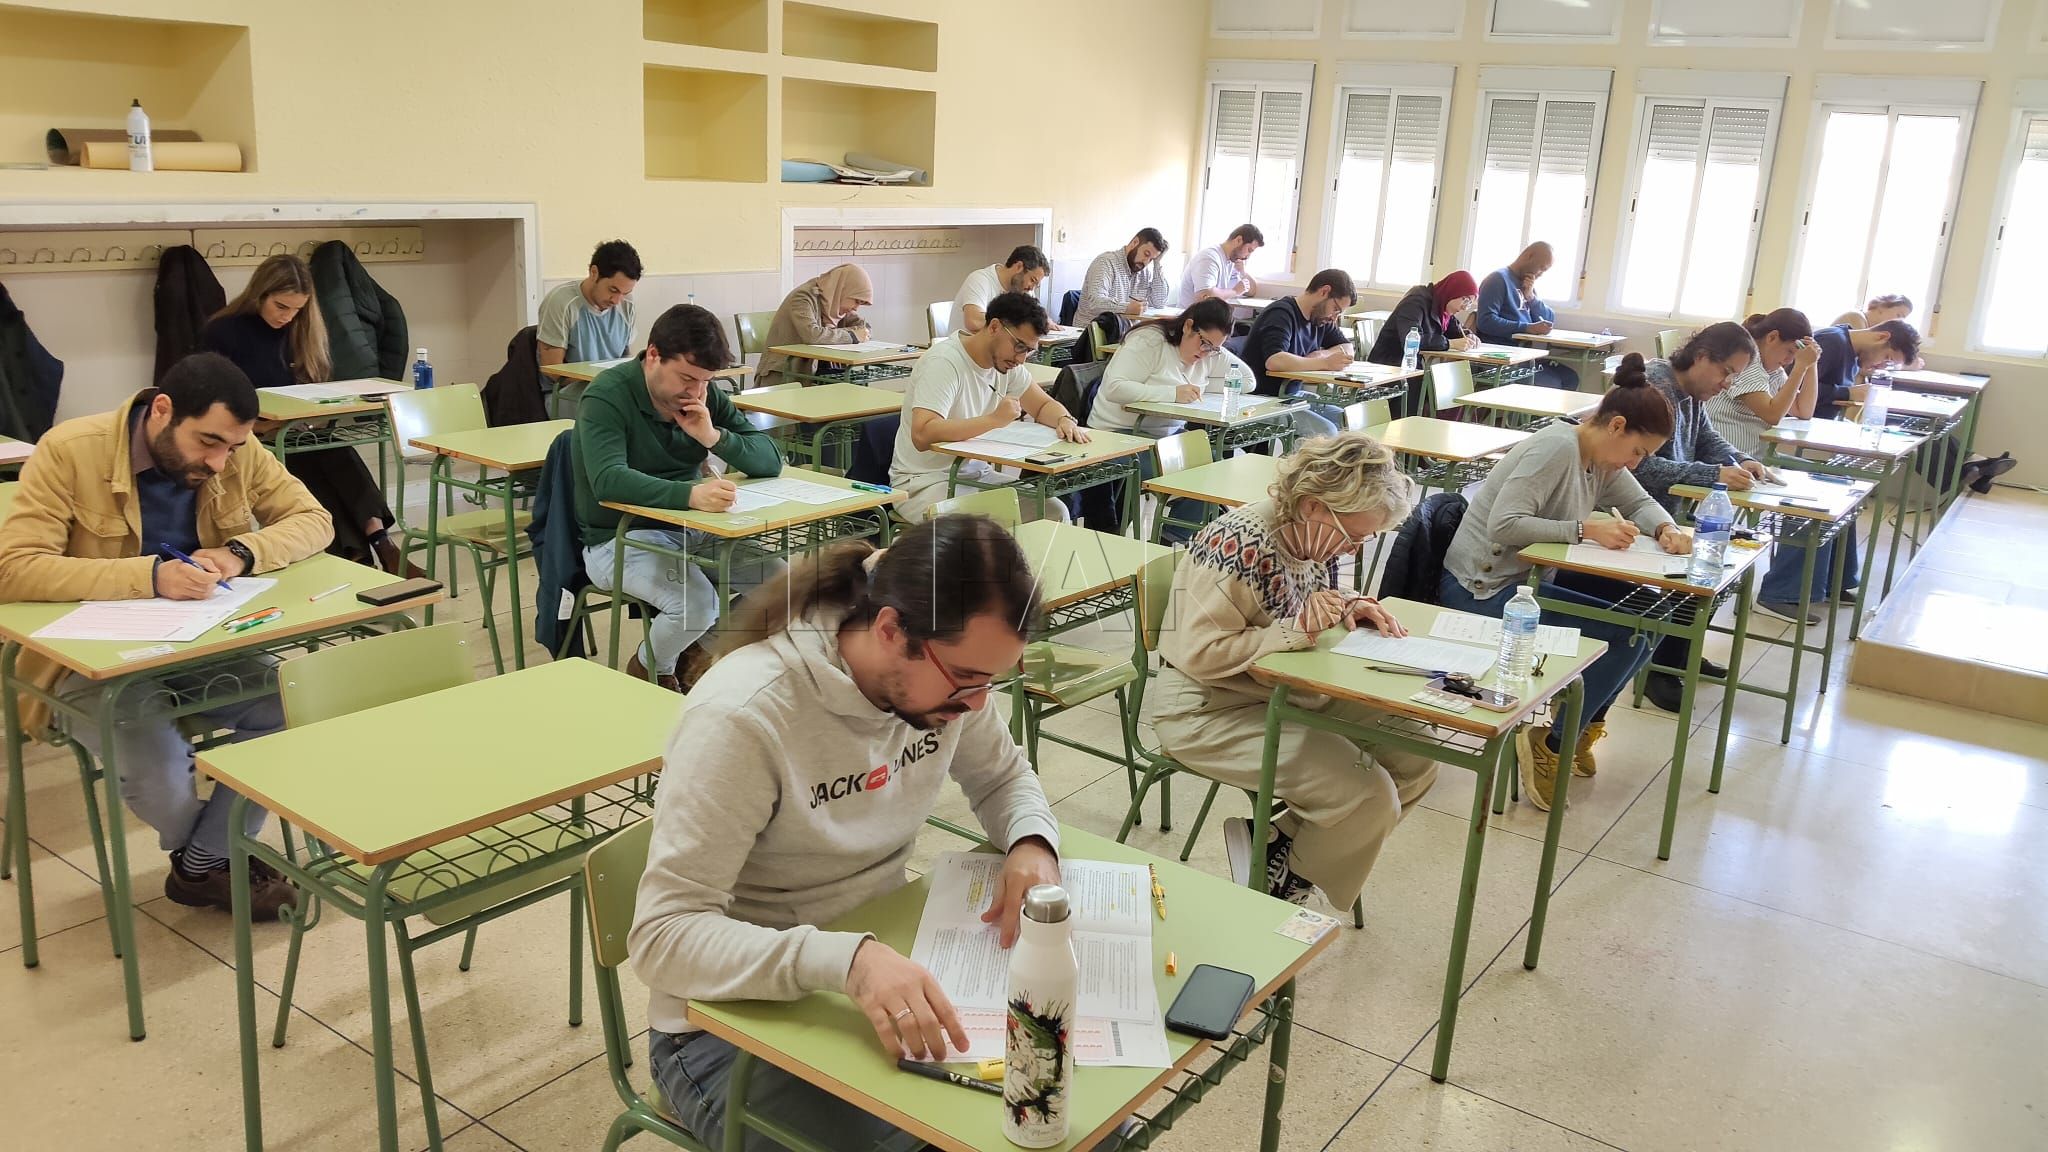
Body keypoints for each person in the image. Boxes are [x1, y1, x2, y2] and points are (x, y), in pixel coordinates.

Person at [631, 516, 1120, 1152]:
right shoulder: (743, 717)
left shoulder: (949, 680)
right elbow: (663, 938)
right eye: (968, 679)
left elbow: (1003, 777)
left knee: (1084, 1125)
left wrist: (1031, 844)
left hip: (881, 967)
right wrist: (849, 962)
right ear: (891, 631)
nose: (977, 704)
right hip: (723, 1027)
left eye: (993, 682)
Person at [0, 352, 332, 914]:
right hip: (85, 658)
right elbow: (13, 569)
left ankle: (202, 863)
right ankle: (218, 857)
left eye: (232, 447)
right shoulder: (69, 450)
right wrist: (149, 576)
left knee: (297, 703)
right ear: (162, 411)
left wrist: (240, 552)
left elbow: (314, 520)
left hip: (198, 642)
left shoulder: (236, 449)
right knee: (159, 774)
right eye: (208, 443)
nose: (220, 462)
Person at [1152, 434, 1435, 907]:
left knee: (1417, 755)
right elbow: (1197, 652)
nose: (1353, 550)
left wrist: (1348, 605)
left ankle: (1279, 844)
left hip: (1282, 689)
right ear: (1312, 506)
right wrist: (1297, 629)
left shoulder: (1311, 538)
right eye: (1353, 536)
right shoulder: (1238, 543)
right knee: (1369, 796)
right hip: (1206, 708)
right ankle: (1282, 889)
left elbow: (1303, 601)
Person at [1439, 356, 1690, 809]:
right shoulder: (1556, 449)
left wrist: (1665, 528)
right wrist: (1584, 530)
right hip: (1483, 589)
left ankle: (1580, 727)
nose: (1636, 463)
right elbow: (1504, 525)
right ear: (1616, 426)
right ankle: (1552, 744)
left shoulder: (1601, 458)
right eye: (1638, 451)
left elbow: (1639, 502)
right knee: (1624, 633)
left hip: (1526, 583)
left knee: (1654, 614)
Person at [572, 304, 786, 691]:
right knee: (697, 605)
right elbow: (608, 480)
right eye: (687, 378)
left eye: (706, 381)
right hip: (618, 537)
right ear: (654, 355)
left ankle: (691, 651)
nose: (697, 391)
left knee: (785, 589)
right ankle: (650, 670)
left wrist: (713, 437)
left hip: (693, 528)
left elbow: (771, 460)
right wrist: (690, 495)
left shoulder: (702, 395)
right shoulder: (607, 395)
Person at [202, 254, 405, 573]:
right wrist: (258, 426)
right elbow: (212, 399)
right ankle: (369, 550)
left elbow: (308, 386)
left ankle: (372, 547)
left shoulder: (301, 329)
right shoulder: (223, 331)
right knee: (307, 467)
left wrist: (314, 413)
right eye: (281, 306)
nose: (287, 316)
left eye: (297, 309)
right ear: (260, 294)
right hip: (250, 433)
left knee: (333, 448)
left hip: (295, 427)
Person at [1630, 322, 1760, 713]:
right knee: (1703, 567)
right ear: (1701, 357)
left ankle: (1679, 652)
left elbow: (1706, 438)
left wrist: (1740, 460)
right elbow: (1638, 466)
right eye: (1726, 372)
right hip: (1633, 512)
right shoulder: (1655, 389)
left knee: (1721, 562)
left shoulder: (1690, 393)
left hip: (1667, 512)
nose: (1727, 383)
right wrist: (1712, 473)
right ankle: (1659, 667)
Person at [889, 292, 1087, 524]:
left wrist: (1064, 419)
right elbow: (922, 434)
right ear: (994, 327)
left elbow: (1043, 405)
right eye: (1019, 346)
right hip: (925, 483)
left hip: (976, 476)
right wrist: (994, 420)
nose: (1022, 359)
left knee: (1053, 512)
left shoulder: (1006, 364)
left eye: (1029, 351)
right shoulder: (944, 363)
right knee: (987, 527)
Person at [1081, 297, 1250, 541]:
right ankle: (1172, 538)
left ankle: (1175, 537)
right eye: (1204, 343)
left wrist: (1201, 385)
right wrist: (1173, 393)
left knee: (1212, 466)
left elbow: (1247, 380)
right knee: (1193, 472)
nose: (1205, 353)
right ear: (1188, 326)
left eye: (1214, 348)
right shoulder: (1150, 341)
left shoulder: (1209, 353)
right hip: (1117, 434)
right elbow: (1114, 388)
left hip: (1165, 436)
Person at [1243, 268, 1358, 439]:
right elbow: (1274, 361)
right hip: (1262, 400)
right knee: (1326, 431)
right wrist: (1325, 363)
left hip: (1290, 395)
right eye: (1335, 309)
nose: (1334, 317)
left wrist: (1321, 355)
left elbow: (1347, 349)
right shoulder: (1281, 314)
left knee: (1347, 420)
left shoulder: (1319, 319)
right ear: (1324, 292)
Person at [1703, 309, 1818, 457]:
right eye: (1790, 351)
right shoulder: (1747, 362)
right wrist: (1800, 367)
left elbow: (1803, 411)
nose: (1790, 361)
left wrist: (1811, 364)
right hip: (1727, 458)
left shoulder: (1773, 369)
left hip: (1752, 458)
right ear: (1772, 337)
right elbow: (1772, 415)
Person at [1367, 270, 1480, 414]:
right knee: (1436, 388)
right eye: (1465, 300)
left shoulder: (1442, 306)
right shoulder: (1416, 302)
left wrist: (1469, 335)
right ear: (1452, 291)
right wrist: (1450, 344)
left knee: (1453, 387)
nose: (1465, 307)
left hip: (1412, 366)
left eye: (1469, 303)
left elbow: (1455, 329)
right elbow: (1411, 340)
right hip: (1390, 365)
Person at [1474, 242, 1579, 390]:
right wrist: (1526, 328)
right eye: (1541, 268)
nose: (1541, 274)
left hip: (1525, 355)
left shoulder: (1527, 283)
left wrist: (1531, 298)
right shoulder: (1497, 279)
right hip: (1504, 356)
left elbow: (1549, 319)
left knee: (1570, 377)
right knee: (1552, 383)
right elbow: (1485, 321)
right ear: (1529, 256)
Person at [756, 264, 875, 388]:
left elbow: (864, 328)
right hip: (785, 374)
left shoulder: (836, 302)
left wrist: (861, 333)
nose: (856, 308)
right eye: (856, 301)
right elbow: (812, 335)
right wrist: (852, 335)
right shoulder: (802, 297)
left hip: (814, 375)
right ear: (843, 289)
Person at [537, 239, 642, 367]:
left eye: (625, 293)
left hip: (610, 378)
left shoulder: (627, 305)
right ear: (594, 273)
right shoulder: (561, 303)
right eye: (613, 290)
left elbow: (626, 361)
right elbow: (552, 369)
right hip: (572, 380)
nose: (616, 301)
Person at [1810, 318, 1920, 418]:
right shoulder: (1832, 343)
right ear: (1882, 337)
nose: (1881, 367)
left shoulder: (1853, 355)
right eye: (1887, 358)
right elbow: (1800, 388)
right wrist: (1848, 393)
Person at [1074, 228, 1170, 340]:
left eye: (1151, 259)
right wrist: (1126, 308)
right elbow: (1095, 303)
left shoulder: (1143, 272)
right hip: (1091, 339)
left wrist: (1157, 264)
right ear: (1135, 242)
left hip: (1123, 337)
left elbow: (1159, 302)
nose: (1145, 262)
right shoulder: (1105, 263)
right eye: (1146, 254)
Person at [951, 245, 1050, 334]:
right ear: (1019, 267)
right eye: (1032, 280)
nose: (1032, 288)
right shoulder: (980, 279)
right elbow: (974, 321)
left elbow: (1032, 319)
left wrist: (1045, 322)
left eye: (1036, 285)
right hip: (965, 347)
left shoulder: (1024, 290)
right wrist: (1015, 324)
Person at [1173, 223, 1263, 307]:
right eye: (1249, 250)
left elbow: (1252, 291)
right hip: (1193, 317)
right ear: (1238, 240)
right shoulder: (1209, 257)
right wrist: (1235, 291)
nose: (1248, 256)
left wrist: (1243, 272)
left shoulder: (1232, 261)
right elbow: (1204, 296)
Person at [1831, 293, 1912, 330]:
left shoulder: (1865, 325)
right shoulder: (1855, 318)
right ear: (1883, 306)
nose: (1899, 323)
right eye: (1899, 316)